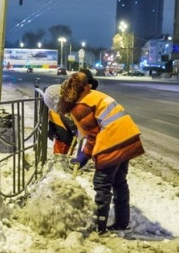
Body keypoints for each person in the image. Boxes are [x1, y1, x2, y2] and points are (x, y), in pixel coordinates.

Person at [58, 72, 144, 235]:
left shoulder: (80, 107)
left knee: (102, 182)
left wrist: (83, 157)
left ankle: (100, 226)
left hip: (113, 139)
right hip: (127, 135)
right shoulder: (92, 96)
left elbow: (93, 137)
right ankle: (122, 222)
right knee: (119, 181)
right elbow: (94, 130)